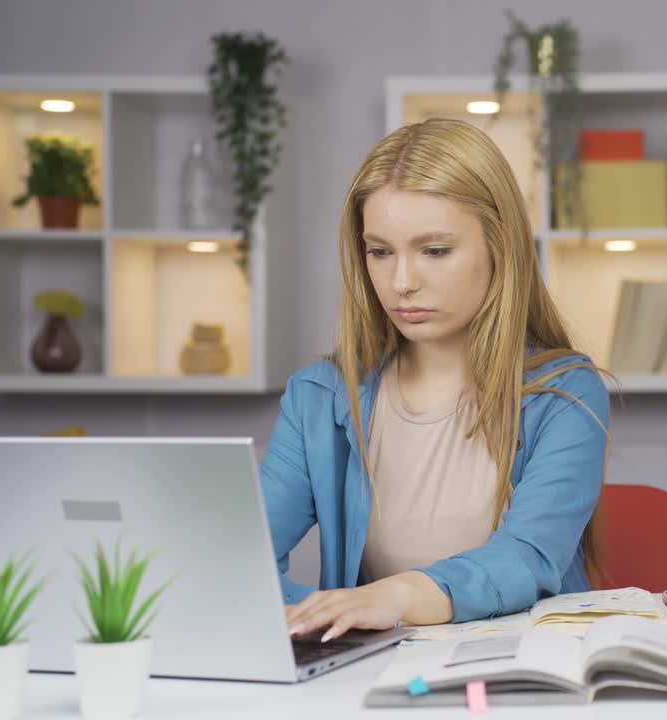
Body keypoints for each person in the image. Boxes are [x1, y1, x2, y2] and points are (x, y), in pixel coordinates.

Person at [261, 118, 610, 642]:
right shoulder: (319, 396)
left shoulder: (565, 392)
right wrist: (322, 612)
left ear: (501, 247)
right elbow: (242, 559)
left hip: (529, 674)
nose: (402, 282)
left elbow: (527, 559)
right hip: (373, 680)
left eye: (435, 251)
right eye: (379, 252)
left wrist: (391, 596)